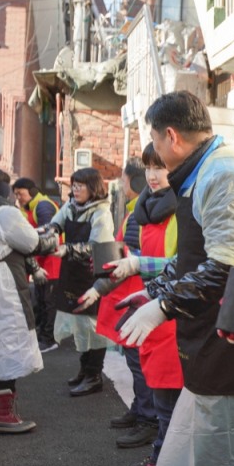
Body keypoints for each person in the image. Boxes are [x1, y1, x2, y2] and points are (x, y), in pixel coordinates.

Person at [115, 90, 234, 466]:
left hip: (231, 335)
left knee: (223, 458)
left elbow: (229, 266)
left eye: (156, 141)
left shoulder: (222, 174)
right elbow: (194, 256)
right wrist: (154, 291)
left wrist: (162, 305)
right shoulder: (203, 172)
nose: (156, 154)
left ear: (171, 136)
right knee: (213, 452)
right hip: (210, 332)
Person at [77, 157, 159, 449]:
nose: (122, 186)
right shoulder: (137, 210)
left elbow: (132, 256)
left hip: (139, 298)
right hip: (132, 296)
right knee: (136, 362)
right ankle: (141, 410)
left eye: (124, 180)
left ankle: (148, 419)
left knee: (141, 363)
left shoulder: (140, 212)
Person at [43, 167, 114, 396]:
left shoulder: (101, 212)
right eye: (73, 185)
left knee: (93, 327)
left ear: (92, 188)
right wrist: (50, 232)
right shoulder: (71, 205)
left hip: (90, 275)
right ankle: (84, 370)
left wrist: (67, 249)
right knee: (79, 326)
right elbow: (56, 223)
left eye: (79, 186)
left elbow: (97, 247)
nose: (74, 190)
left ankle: (94, 375)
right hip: (72, 273)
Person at [0, 169, 57, 433]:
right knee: (6, 349)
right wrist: (51, 240)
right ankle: (3, 414)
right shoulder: (6, 214)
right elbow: (31, 241)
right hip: (4, 289)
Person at [12, 177, 61, 352]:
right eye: (16, 194)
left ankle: (49, 339)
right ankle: (43, 336)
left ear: (31, 192)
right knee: (41, 300)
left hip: (52, 261)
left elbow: (45, 234)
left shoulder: (43, 206)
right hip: (42, 261)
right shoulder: (30, 207)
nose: (18, 198)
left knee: (48, 302)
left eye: (21, 194)